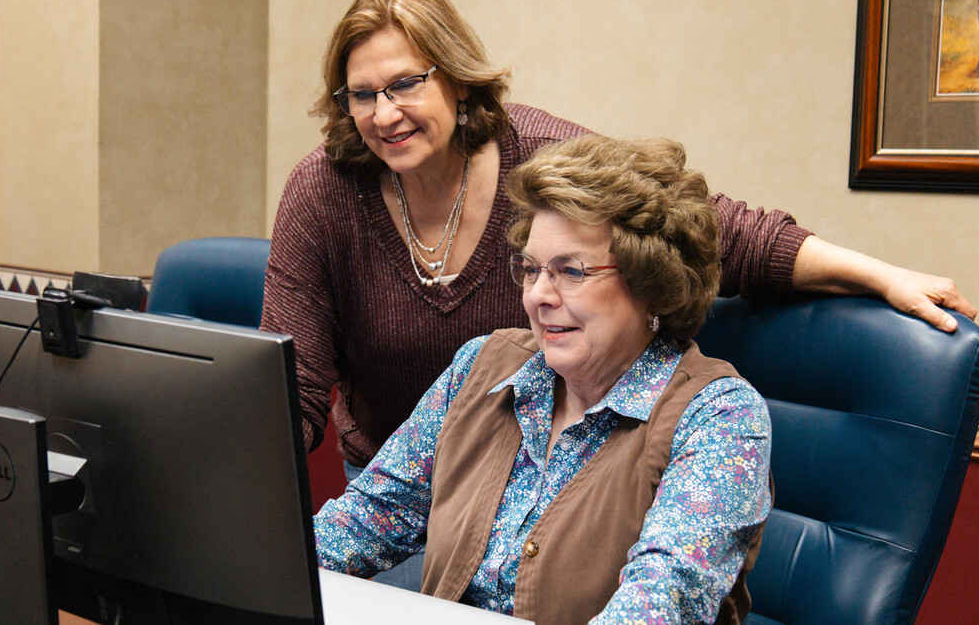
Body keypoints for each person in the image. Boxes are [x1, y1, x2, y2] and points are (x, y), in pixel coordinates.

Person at [259, 0, 973, 587]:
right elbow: (302, 429)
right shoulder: (476, 366)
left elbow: (706, 227)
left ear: (452, 73)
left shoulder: (716, 417)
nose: (384, 113)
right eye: (362, 94)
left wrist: (878, 275)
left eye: (406, 83)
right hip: (416, 485)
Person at [314, 134, 771, 624]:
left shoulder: (721, 419)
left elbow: (660, 606)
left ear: (651, 284)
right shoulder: (480, 367)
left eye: (570, 271)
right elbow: (368, 519)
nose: (538, 297)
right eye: (531, 270)